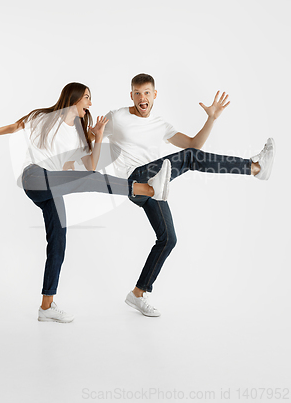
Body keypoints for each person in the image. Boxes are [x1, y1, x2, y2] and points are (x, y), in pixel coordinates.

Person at [0, 82, 172, 323]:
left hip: (52, 186)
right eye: (87, 97)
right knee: (88, 181)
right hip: (33, 177)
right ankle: (145, 189)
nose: (90, 103)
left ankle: (46, 307)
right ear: (74, 97)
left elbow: (91, 166)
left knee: (58, 242)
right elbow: (15, 126)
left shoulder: (79, 134)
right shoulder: (43, 117)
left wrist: (96, 138)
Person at [102, 73, 276, 317]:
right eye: (138, 93)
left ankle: (138, 293)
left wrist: (211, 119)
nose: (143, 98)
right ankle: (254, 167)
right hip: (134, 180)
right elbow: (90, 136)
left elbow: (193, 145)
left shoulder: (161, 125)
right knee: (189, 159)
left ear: (154, 95)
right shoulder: (116, 117)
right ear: (131, 95)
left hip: (154, 185)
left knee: (168, 239)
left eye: (147, 93)